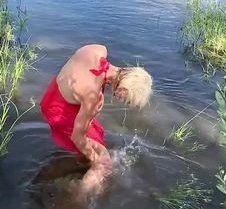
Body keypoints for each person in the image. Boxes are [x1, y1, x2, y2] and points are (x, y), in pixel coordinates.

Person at [40, 44, 152, 197]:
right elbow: (77, 137)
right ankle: (76, 199)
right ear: (122, 89)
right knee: (104, 163)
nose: (121, 100)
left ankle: (73, 165)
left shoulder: (98, 50)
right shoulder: (91, 96)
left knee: (97, 135)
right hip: (59, 112)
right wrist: (96, 161)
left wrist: (89, 107)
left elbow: (83, 76)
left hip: (53, 92)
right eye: (126, 99)